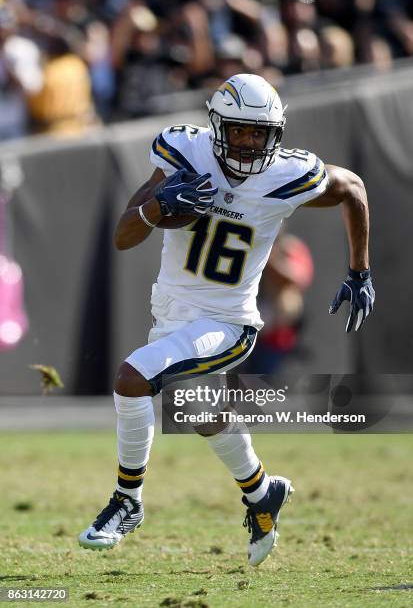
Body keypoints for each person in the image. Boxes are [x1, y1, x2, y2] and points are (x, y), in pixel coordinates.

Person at [78, 73, 375, 566]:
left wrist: (360, 270)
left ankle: (126, 500)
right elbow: (123, 235)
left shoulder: (286, 174)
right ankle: (262, 493)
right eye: (238, 130)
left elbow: (353, 188)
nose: (247, 142)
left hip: (229, 322)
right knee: (204, 416)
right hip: (172, 314)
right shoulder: (184, 154)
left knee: (133, 378)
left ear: (274, 134)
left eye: (258, 133)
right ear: (217, 125)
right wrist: (157, 208)